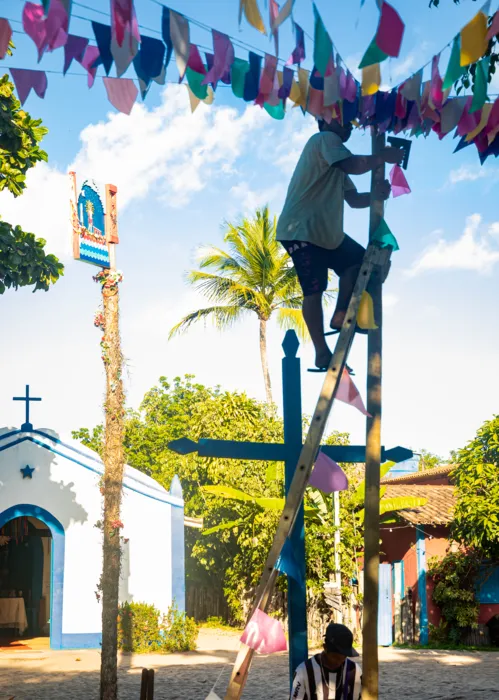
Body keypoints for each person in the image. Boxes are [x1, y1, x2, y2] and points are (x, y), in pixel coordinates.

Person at [276, 118, 404, 370]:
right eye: (343, 121)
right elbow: (355, 164)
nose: (348, 126)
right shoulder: (324, 140)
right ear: (324, 122)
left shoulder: (336, 159)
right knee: (314, 289)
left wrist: (376, 196)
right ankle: (321, 352)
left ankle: (340, 314)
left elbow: (354, 199)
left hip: (327, 235)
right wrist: (382, 156)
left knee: (358, 262)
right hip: (302, 230)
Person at [290, 622, 362, 700]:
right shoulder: (304, 671)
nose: (340, 662)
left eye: (344, 657)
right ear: (325, 648)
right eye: (335, 657)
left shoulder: (354, 671)